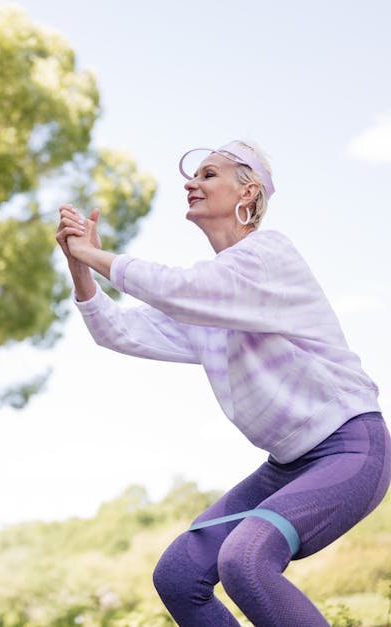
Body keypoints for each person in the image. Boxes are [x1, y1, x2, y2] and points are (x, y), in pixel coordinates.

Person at [55, 140, 391, 626]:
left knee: (245, 560)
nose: (192, 183)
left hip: (350, 449)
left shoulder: (270, 255)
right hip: (288, 465)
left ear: (248, 191)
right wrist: (79, 266)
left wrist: (94, 252)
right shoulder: (208, 304)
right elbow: (118, 330)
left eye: (208, 174)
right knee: (179, 575)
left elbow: (181, 289)